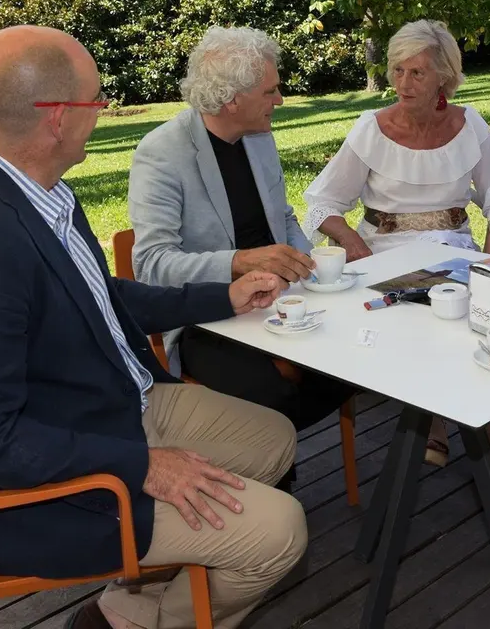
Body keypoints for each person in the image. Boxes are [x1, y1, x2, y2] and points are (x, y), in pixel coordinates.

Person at [0, 25, 307, 629]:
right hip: (37, 497)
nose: (105, 108)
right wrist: (145, 466)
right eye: (95, 99)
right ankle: (132, 622)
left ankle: (142, 594)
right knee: (281, 532)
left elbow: (99, 295)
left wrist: (224, 296)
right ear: (57, 118)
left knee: (274, 439)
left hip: (104, 409)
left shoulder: (38, 191)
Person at [303, 19, 490, 509]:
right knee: (444, 323)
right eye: (398, 71)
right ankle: (488, 449)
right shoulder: (371, 129)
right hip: (384, 255)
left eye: (418, 73)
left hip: (454, 249)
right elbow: (323, 202)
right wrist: (355, 247)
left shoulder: (470, 126)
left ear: (445, 80)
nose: (404, 83)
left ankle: (448, 426)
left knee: (473, 314)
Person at [129, 26, 355, 432]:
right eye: (270, 91)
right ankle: (272, 480)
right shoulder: (162, 153)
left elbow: (283, 217)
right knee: (271, 399)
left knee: (361, 356)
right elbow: (151, 265)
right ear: (232, 100)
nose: (280, 100)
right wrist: (238, 262)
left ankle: (272, 459)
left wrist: (310, 266)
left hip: (284, 301)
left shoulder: (258, 137)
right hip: (209, 317)